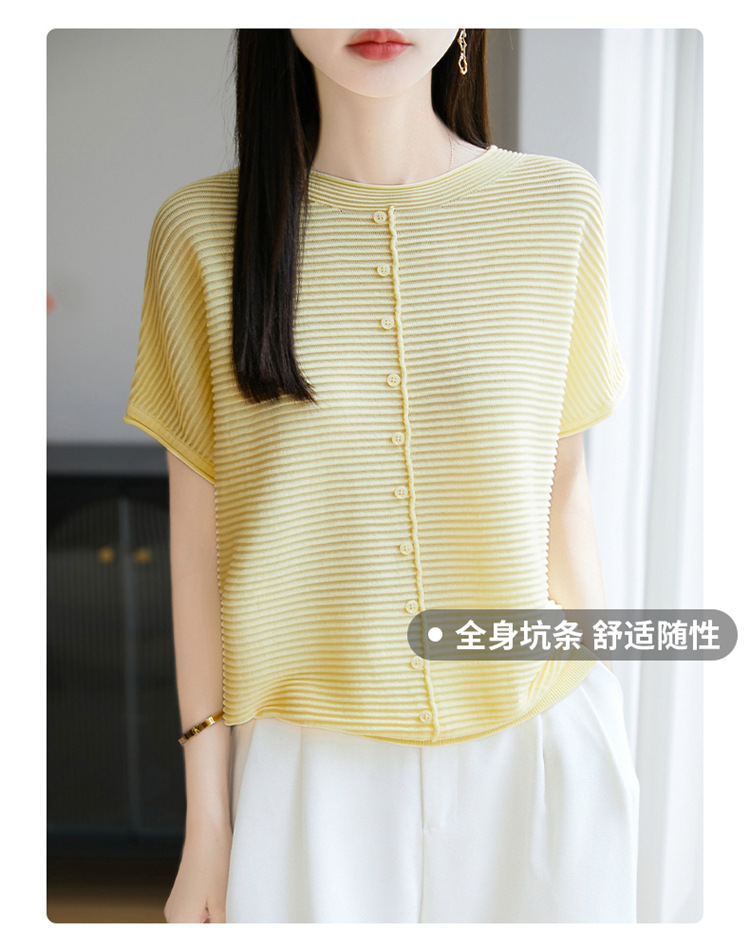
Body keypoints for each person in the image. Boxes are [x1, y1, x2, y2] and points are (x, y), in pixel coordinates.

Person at [123, 28, 639, 924]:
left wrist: (605, 714)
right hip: (310, 770)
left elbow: (562, 493)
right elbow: (198, 549)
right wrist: (207, 819)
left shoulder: (559, 207)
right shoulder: (201, 233)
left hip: (540, 743)